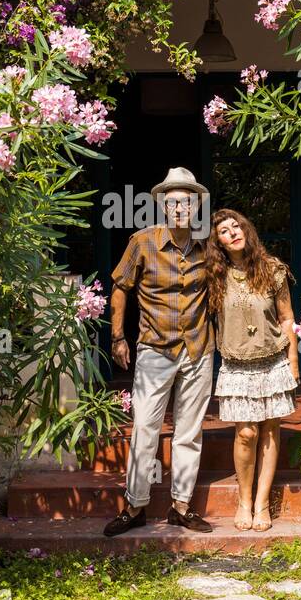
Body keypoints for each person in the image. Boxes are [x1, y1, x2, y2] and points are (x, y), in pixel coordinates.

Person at [103, 167, 215, 536]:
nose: (180, 207)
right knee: (146, 427)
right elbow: (120, 287)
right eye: (173, 202)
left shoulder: (208, 245)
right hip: (154, 348)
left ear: (197, 205)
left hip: (198, 348)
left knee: (189, 431)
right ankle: (134, 507)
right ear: (163, 207)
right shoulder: (143, 241)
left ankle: (181, 507)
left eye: (187, 201)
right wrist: (118, 338)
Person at [206, 208, 299, 532]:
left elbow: (287, 318)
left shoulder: (272, 270)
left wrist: (294, 360)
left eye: (236, 226)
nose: (232, 232)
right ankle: (243, 501)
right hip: (236, 364)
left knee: (270, 432)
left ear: (246, 229)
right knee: (246, 433)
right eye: (223, 231)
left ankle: (261, 504)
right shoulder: (214, 276)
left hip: (273, 360)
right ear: (218, 243)